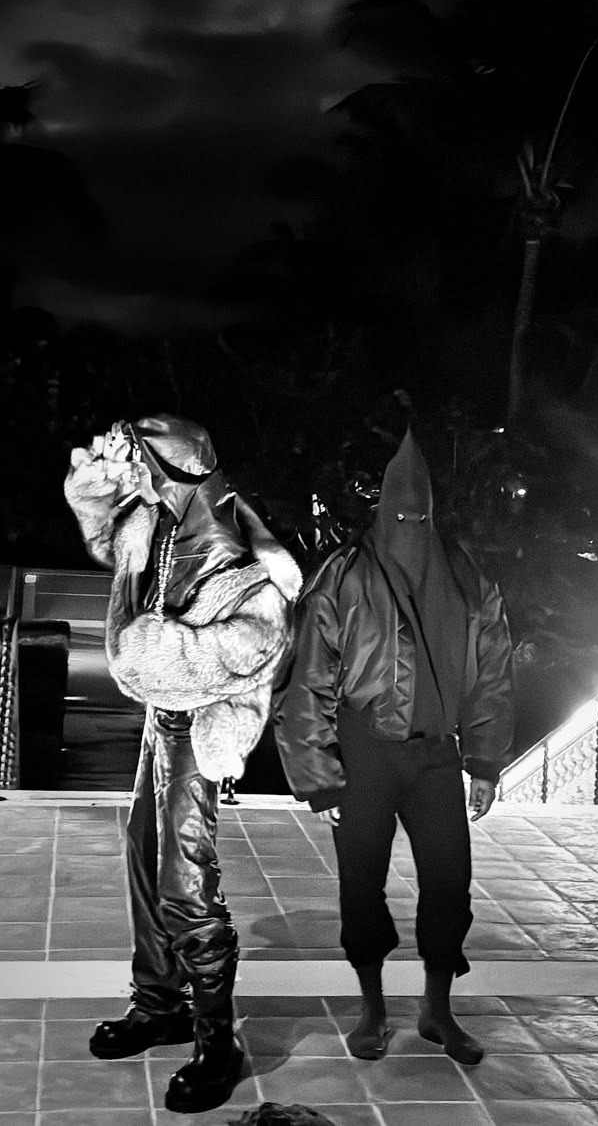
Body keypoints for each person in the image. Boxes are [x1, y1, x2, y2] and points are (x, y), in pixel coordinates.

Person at [64, 414, 301, 1114]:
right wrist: (95, 494)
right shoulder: (160, 528)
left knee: (184, 886)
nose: (135, 478)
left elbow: (223, 658)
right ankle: (158, 1004)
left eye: (143, 467)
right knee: (141, 862)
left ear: (178, 473)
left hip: (200, 733)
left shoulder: (252, 580)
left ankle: (216, 1041)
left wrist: (141, 647)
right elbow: (111, 537)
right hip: (158, 726)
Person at [272, 428, 515, 1065]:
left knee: (448, 881)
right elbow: (309, 681)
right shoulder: (345, 575)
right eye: (399, 515)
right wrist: (319, 775)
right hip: (364, 752)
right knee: (362, 886)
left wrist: (484, 761)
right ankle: (373, 1009)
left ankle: (438, 1010)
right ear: (382, 511)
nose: (410, 526)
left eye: (420, 516)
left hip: (436, 753)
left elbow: (493, 671)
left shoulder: (465, 575)